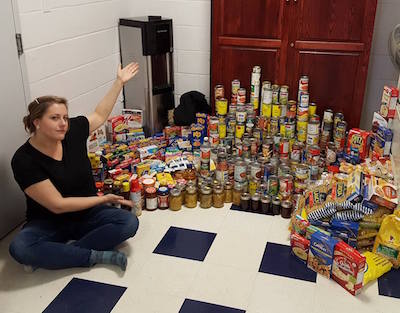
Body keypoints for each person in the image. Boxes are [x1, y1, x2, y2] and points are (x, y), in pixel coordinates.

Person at [9, 62, 140, 272]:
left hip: (87, 213)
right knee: (20, 248)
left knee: (129, 223)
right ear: (37, 122)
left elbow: (99, 115)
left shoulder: (73, 132)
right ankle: (93, 255)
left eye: (65, 118)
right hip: (48, 222)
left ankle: (58, 254)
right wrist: (103, 199)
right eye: (54, 118)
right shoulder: (24, 159)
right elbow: (57, 205)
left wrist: (119, 82)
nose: (63, 123)